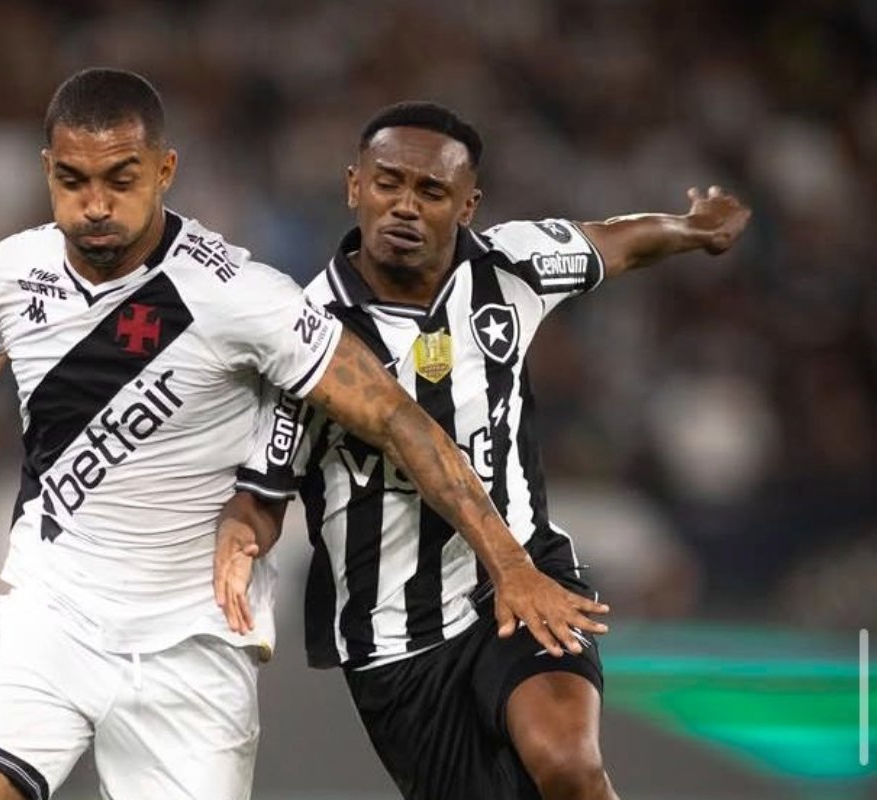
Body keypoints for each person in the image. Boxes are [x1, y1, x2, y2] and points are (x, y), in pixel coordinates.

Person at [0, 72, 608, 800]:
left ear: (165, 171)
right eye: (72, 180)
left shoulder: (243, 298)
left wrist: (507, 560)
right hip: (53, 611)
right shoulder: (14, 270)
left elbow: (399, 418)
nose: (95, 204)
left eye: (120, 179)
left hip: (193, 640)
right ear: (47, 171)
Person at [215, 101, 750, 800]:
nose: (405, 206)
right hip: (395, 636)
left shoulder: (511, 266)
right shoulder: (305, 335)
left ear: (467, 205)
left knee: (568, 762)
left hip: (524, 575)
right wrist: (240, 540)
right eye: (387, 184)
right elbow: (264, 493)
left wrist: (692, 229)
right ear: (354, 187)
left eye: (430, 191)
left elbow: (615, 242)